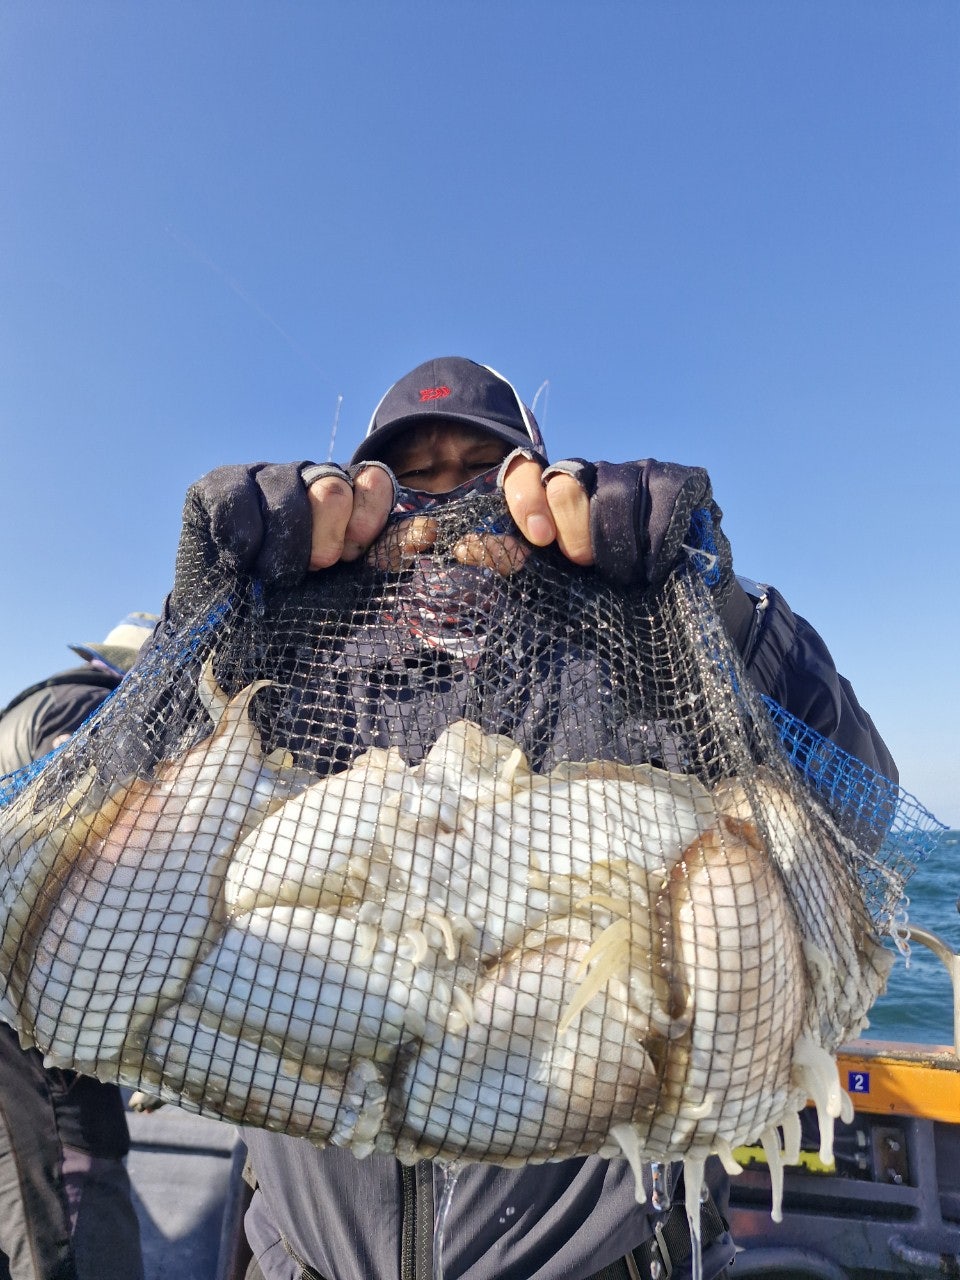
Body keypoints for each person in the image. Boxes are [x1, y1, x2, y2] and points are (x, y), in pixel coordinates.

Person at [170, 357, 896, 1280]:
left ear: (541, 491)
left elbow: (853, 816)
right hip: (306, 1257)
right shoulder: (293, 675)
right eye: (415, 478)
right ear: (354, 507)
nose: (447, 508)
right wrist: (206, 609)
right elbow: (149, 855)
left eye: (482, 471)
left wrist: (722, 606)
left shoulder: (638, 662)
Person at [0, 613, 157, 1280]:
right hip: (30, 1008)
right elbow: (94, 845)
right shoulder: (88, 707)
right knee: (72, 1184)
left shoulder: (32, 700)